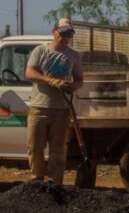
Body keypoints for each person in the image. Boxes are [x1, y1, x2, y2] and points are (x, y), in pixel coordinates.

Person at [24, 18, 84, 184]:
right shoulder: (40, 51)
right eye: (63, 33)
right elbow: (29, 73)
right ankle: (36, 180)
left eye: (69, 33)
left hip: (62, 109)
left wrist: (73, 86)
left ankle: (54, 183)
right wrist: (50, 81)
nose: (66, 37)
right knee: (35, 148)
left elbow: (79, 79)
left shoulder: (74, 55)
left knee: (57, 150)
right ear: (54, 32)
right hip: (39, 108)